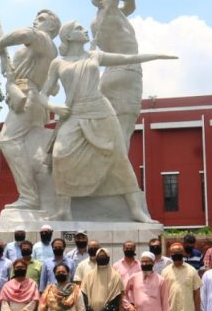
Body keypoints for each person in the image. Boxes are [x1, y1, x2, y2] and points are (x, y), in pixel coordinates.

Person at [41, 20, 174, 223]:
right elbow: (43, 94)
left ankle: (136, 210)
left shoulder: (94, 55)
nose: (84, 29)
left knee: (119, 158)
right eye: (78, 28)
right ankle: (64, 210)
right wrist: (53, 107)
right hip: (74, 114)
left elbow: (125, 58)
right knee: (60, 155)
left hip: (101, 111)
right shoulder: (58, 63)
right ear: (68, 36)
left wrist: (155, 56)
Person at [0, 8, 61, 209]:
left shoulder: (43, 40)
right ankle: (45, 193)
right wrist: (5, 59)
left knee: (8, 140)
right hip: (32, 97)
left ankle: (29, 196)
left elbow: (26, 34)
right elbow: (54, 87)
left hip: (27, 97)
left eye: (41, 19)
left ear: (53, 27)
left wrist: (2, 42)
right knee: (33, 149)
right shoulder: (47, 52)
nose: (35, 21)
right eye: (36, 18)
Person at [90, 0, 141, 150]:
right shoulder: (108, 11)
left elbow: (130, 7)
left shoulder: (103, 19)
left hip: (112, 76)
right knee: (122, 136)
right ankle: (119, 179)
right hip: (127, 73)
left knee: (114, 135)